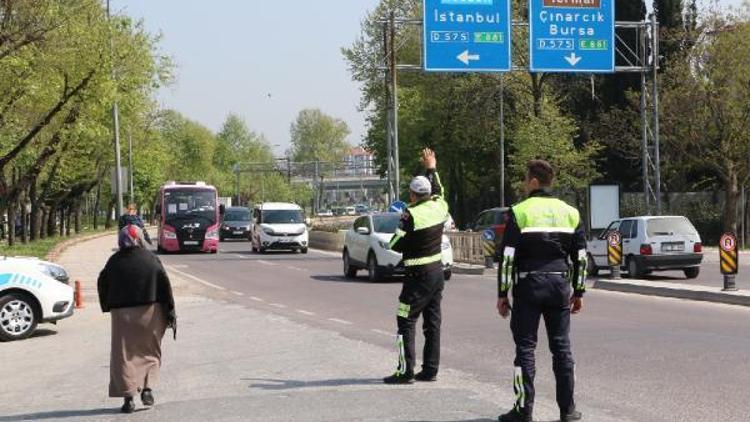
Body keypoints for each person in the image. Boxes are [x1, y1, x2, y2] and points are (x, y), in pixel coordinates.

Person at [496, 160, 587, 422]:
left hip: (528, 286)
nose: (524, 185)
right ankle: (568, 411)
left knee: (525, 348)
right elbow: (580, 257)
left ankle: (523, 410)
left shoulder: (519, 211)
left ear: (534, 182)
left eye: (526, 180)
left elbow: (508, 258)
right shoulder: (570, 212)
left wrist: (503, 293)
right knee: (562, 348)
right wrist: (578, 292)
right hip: (559, 285)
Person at [383, 148, 449, 384]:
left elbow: (395, 243)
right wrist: (431, 167)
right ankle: (430, 369)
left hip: (416, 275)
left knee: (405, 319)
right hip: (437, 273)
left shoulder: (409, 215)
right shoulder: (441, 206)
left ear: (411, 195)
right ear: (429, 193)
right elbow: (439, 189)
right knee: (432, 323)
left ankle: (405, 370)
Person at [98, 225, 176, 413]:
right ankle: (147, 389)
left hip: (121, 314)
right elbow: (165, 285)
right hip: (150, 311)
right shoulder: (150, 259)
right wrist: (170, 312)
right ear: (139, 238)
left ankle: (128, 399)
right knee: (150, 352)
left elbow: (102, 282)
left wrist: (107, 305)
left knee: (124, 356)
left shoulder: (114, 261)